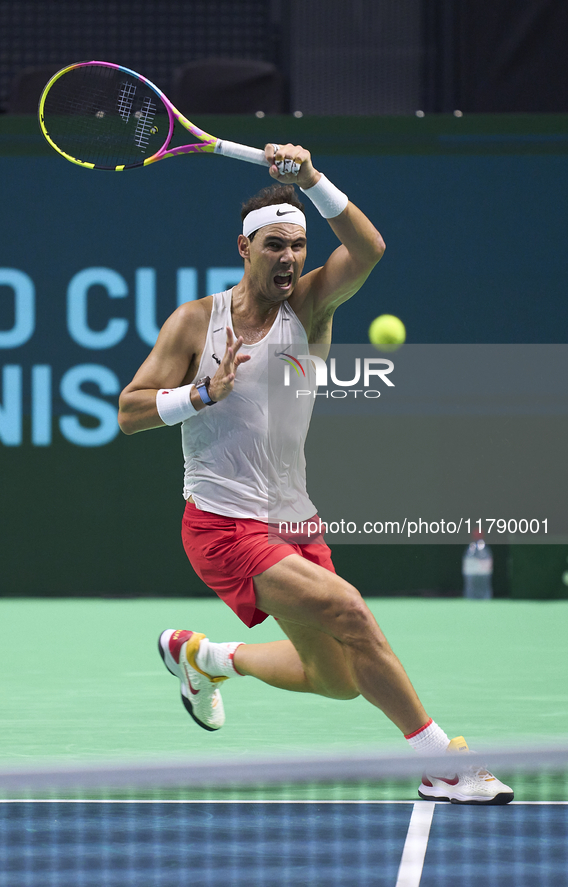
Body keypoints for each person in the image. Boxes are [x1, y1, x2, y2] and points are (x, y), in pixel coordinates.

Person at [118, 143, 512, 805]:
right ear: (242, 248)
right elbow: (129, 412)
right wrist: (200, 394)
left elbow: (368, 250)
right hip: (222, 525)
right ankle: (445, 763)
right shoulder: (195, 322)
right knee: (348, 608)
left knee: (335, 676)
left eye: (297, 247)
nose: (290, 259)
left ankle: (204, 657)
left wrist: (312, 179)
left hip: (293, 520)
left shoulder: (309, 307)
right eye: (275, 245)